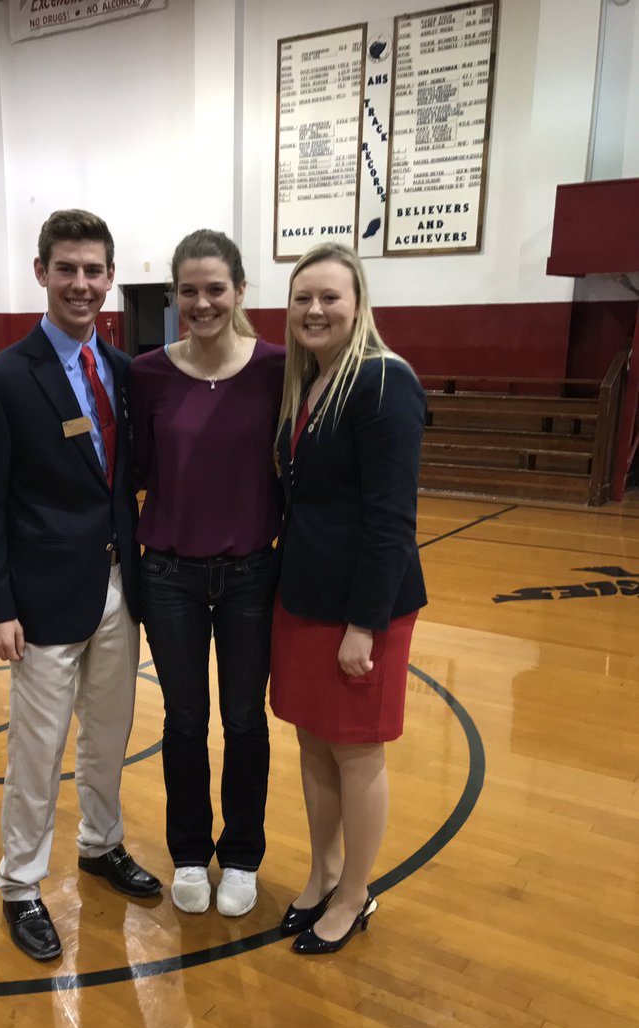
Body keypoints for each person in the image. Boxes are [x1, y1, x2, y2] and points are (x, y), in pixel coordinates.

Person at [0, 208, 161, 964]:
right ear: (41, 271)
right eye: (68, 269)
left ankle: (101, 846)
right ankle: (20, 885)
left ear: (110, 279)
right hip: (41, 601)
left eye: (94, 271)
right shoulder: (1, 380)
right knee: (37, 752)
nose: (82, 284)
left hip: (118, 588)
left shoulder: (121, 371)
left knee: (108, 740)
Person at [270, 242, 427, 954]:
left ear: (358, 303)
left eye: (330, 297)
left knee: (357, 751)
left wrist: (364, 625)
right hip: (305, 595)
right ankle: (324, 869)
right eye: (303, 297)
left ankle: (358, 893)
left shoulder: (383, 381)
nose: (315, 310)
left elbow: (392, 518)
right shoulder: (313, 382)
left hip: (364, 607)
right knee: (312, 742)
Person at [130, 230, 284, 917]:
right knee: (185, 721)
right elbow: (131, 472)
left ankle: (243, 853)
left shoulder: (281, 367)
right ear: (174, 296)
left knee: (246, 721)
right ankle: (191, 852)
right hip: (169, 577)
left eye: (215, 288)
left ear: (240, 291)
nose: (202, 302)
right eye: (188, 290)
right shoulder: (147, 374)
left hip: (252, 573)